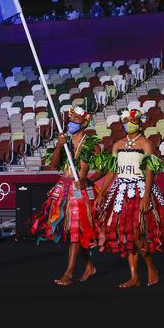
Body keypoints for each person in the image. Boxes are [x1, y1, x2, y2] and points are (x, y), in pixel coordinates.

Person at [96, 109, 164, 288]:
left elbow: (150, 172)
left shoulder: (146, 144)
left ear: (139, 122)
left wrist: (146, 196)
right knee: (126, 235)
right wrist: (102, 193)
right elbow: (112, 171)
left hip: (139, 189)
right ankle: (134, 276)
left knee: (137, 233)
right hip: (120, 191)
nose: (129, 123)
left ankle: (151, 268)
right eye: (126, 120)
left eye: (133, 120)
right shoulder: (117, 144)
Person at [31, 106, 101, 286]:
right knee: (73, 231)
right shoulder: (66, 143)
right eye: (69, 121)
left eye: (75, 121)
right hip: (63, 187)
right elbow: (54, 165)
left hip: (79, 189)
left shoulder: (92, 145)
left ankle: (68, 273)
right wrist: (58, 147)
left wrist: (88, 180)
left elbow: (106, 167)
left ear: (84, 123)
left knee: (76, 230)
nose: (70, 124)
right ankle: (89, 266)